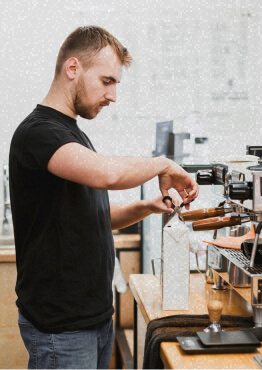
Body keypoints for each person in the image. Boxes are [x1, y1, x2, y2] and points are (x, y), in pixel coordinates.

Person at [9, 26, 199, 369]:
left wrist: (145, 207)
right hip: (61, 329)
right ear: (73, 69)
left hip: (95, 319)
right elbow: (108, 175)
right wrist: (164, 164)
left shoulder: (72, 134)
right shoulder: (38, 133)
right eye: (107, 81)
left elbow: (91, 214)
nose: (113, 95)